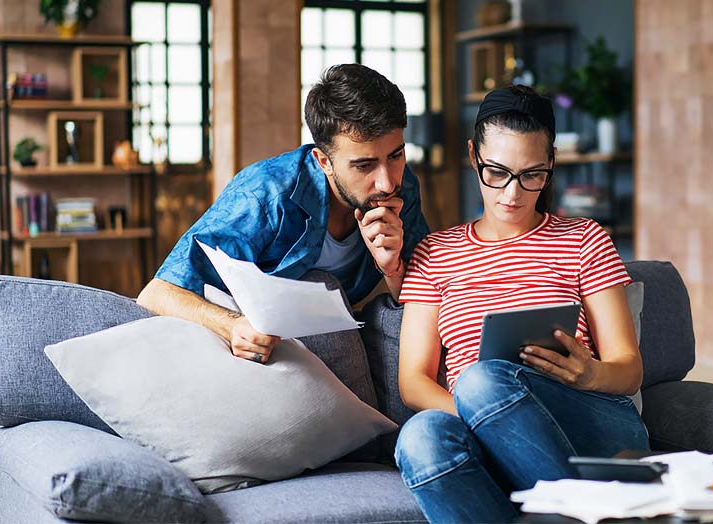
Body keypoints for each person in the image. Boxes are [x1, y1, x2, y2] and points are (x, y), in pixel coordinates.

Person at [394, 85, 648, 523]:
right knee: (421, 436)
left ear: (551, 164)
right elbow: (412, 382)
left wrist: (590, 374)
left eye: (532, 175)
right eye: (497, 172)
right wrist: (483, 416)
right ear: (473, 155)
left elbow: (629, 370)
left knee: (479, 380)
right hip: (478, 421)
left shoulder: (584, 239)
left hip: (589, 418)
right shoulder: (434, 253)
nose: (512, 194)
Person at [137, 64, 429, 365]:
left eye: (396, 155)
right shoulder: (266, 193)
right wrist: (232, 326)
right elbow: (157, 293)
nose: (387, 182)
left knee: (405, 321)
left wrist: (392, 268)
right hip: (251, 339)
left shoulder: (402, 187)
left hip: (333, 330)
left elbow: (425, 298)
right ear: (323, 161)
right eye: (364, 166)